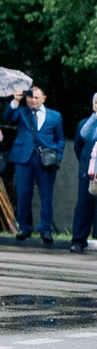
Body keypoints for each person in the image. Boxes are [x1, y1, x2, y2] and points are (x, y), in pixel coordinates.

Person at [3, 85, 65, 244]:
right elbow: (8, 116)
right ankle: (25, 228)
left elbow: (60, 139)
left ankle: (45, 229)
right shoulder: (22, 111)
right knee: (23, 194)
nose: (33, 100)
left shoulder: (55, 116)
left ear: (43, 98)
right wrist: (15, 101)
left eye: (37, 97)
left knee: (46, 196)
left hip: (46, 160)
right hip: (23, 159)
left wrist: (57, 156)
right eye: (30, 97)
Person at [73, 95, 96, 255]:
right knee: (83, 207)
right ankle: (78, 241)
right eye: (96, 102)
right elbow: (78, 147)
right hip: (87, 173)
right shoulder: (84, 124)